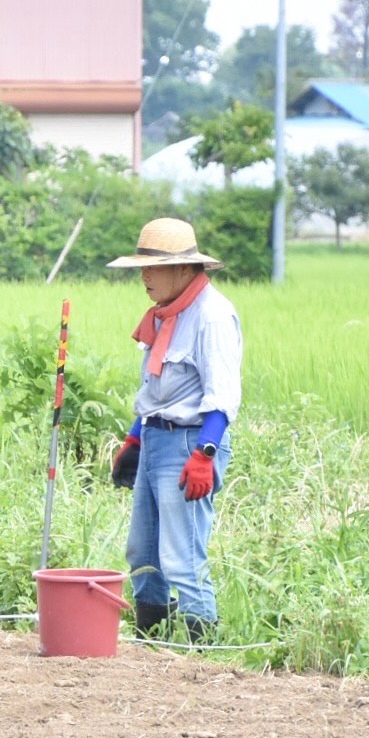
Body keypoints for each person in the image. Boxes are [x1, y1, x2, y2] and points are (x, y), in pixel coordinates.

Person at [106, 217, 242, 642]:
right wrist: (134, 439)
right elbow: (158, 388)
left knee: (182, 558)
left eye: (153, 268)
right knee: (143, 555)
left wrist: (204, 455)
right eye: (142, 268)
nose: (144, 277)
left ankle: (203, 655)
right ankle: (152, 648)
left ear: (184, 268)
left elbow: (222, 395)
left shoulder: (212, 316)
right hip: (155, 439)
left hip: (190, 442)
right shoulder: (166, 315)